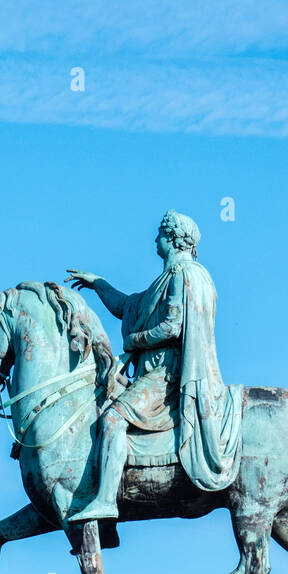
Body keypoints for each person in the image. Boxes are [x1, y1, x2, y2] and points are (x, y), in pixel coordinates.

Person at [66, 209, 228, 520]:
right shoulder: (167, 278)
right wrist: (98, 283)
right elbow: (127, 305)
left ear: (172, 239)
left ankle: (105, 501)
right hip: (151, 372)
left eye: (159, 234)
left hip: (166, 375)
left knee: (112, 419)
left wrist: (133, 342)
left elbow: (173, 326)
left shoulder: (186, 275)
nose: (155, 239)